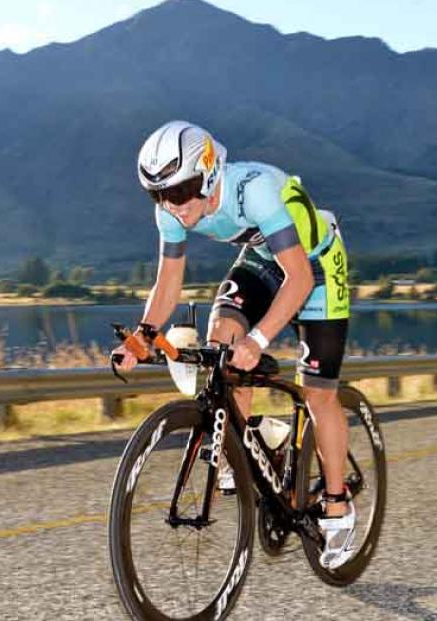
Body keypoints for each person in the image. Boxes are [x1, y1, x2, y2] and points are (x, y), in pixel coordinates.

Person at [112, 120, 354, 569]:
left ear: (206, 173)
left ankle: (338, 504)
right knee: (221, 341)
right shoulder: (172, 207)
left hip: (316, 267)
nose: (172, 206)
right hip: (263, 261)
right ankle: (246, 449)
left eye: (180, 192)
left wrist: (260, 339)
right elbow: (169, 282)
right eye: (159, 195)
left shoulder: (255, 189)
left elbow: (299, 278)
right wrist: (143, 335)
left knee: (318, 394)